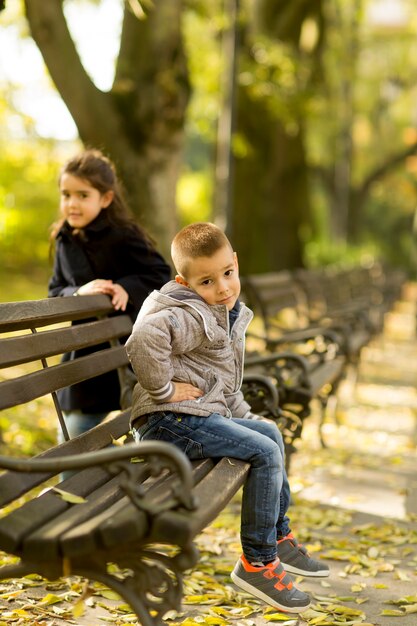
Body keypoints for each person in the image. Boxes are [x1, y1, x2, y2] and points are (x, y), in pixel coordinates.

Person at [125, 222, 329, 614]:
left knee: (269, 433)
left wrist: (247, 420)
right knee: (264, 453)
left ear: (235, 262)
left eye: (227, 274)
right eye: (207, 281)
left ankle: (277, 536)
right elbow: (142, 340)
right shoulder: (189, 313)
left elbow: (224, 384)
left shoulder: (223, 311)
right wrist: (164, 390)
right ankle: (257, 561)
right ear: (185, 282)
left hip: (190, 418)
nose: (222, 288)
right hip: (169, 423)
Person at [48, 149, 171, 442]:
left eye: (82, 195)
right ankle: (74, 487)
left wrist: (125, 286)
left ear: (105, 198)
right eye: (66, 195)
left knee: (146, 431)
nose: (72, 203)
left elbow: (160, 273)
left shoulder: (123, 235)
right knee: (73, 436)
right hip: (85, 358)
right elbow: (55, 290)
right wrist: (79, 292)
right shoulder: (64, 239)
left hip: (126, 354)